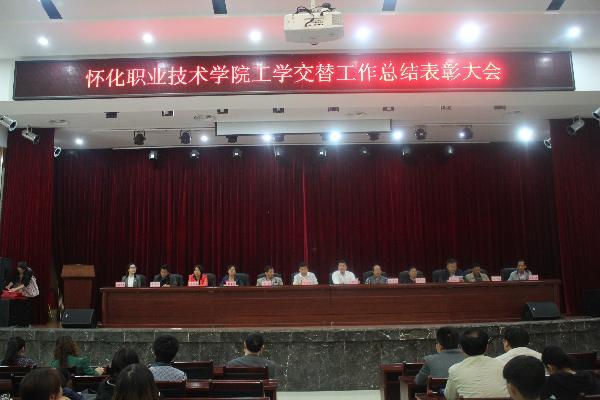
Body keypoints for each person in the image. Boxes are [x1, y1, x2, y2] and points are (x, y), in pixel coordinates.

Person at [444, 328, 509, 400]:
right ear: (487, 347)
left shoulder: (455, 370)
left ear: (461, 348)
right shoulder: (503, 366)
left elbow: (450, 397)